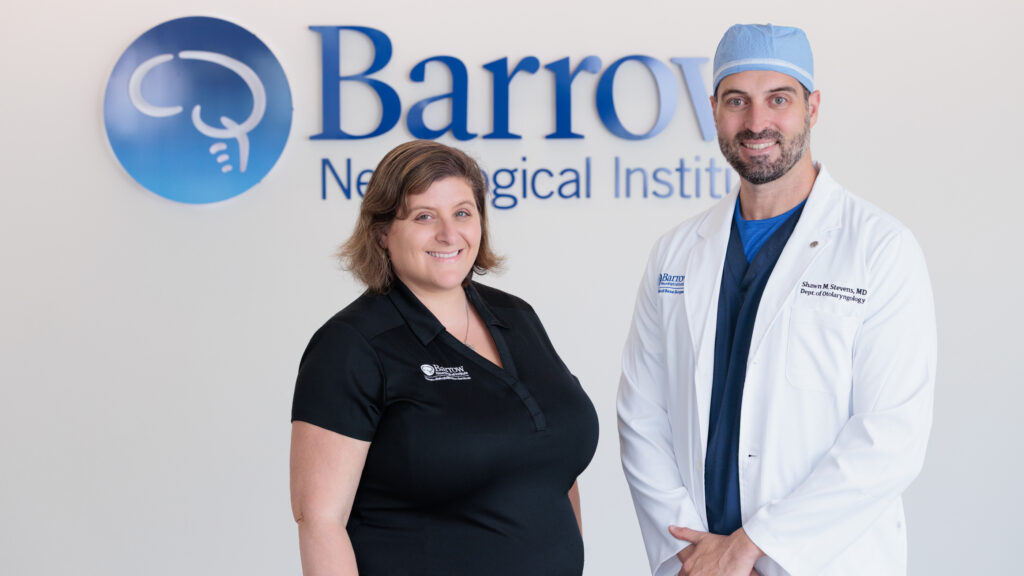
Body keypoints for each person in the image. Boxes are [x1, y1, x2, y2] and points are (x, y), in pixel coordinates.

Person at [617, 24, 936, 576]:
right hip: (697, 560)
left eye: (779, 100)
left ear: (812, 107)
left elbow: (890, 435)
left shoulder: (880, 248)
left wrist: (751, 546)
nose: (757, 122)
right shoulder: (675, 252)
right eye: (737, 101)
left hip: (820, 560)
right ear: (714, 108)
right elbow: (641, 414)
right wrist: (694, 553)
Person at [290, 140, 598, 576]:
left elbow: (555, 469)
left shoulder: (517, 317)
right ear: (381, 233)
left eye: (462, 213)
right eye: (423, 216)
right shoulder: (351, 345)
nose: (449, 234)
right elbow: (320, 521)